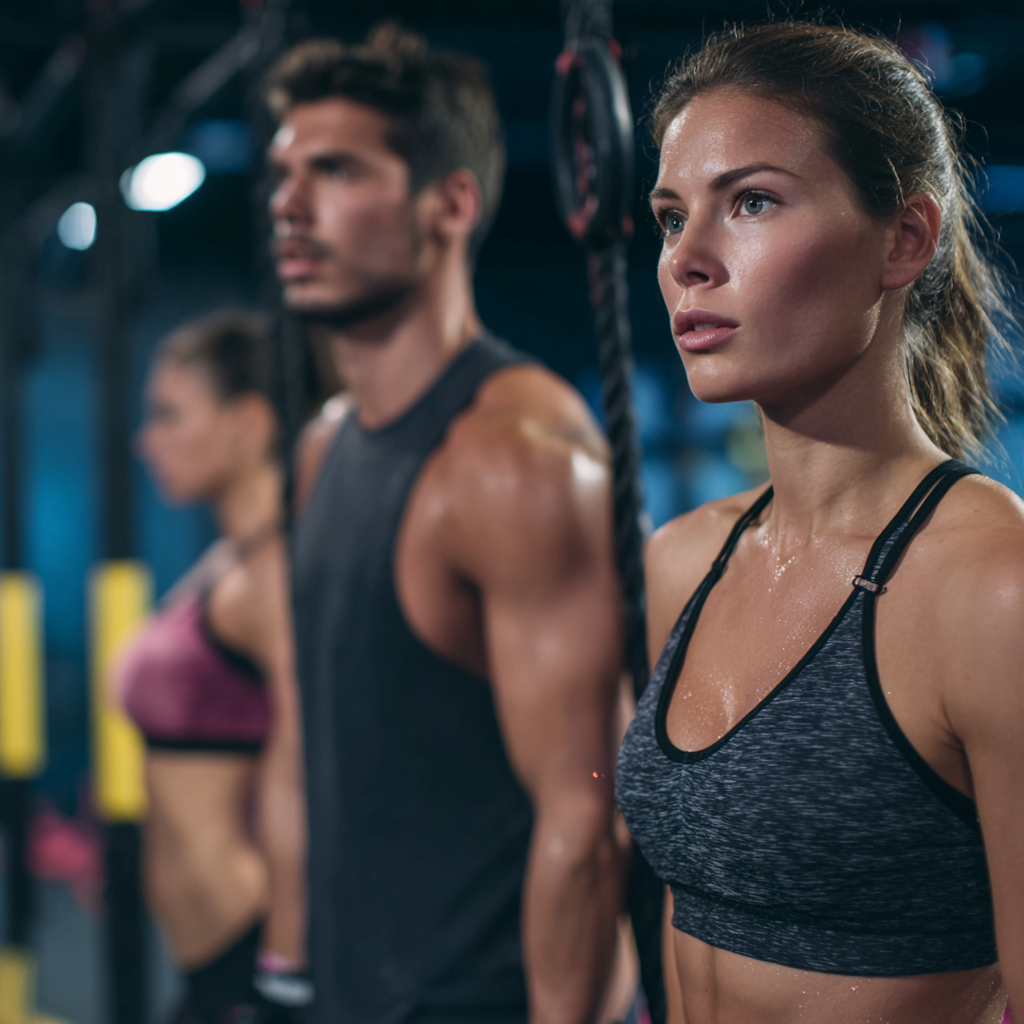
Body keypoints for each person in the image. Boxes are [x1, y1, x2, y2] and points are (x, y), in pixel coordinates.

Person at [614, 19, 1024, 1024]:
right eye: (672, 218)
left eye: (751, 202)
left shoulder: (990, 590)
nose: (687, 262)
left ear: (903, 240)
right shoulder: (681, 562)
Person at [265, 24, 627, 1024]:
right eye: (283, 173)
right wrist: (288, 967)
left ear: (450, 204)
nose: (287, 206)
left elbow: (587, 806)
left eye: (334, 170)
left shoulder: (512, 461)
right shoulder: (323, 446)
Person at [120, 312, 310, 1023]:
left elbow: (308, 780)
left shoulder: (274, 575)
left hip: (252, 954)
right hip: (207, 958)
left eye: (170, 415)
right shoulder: (229, 561)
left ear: (248, 424)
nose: (148, 441)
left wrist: (284, 977)